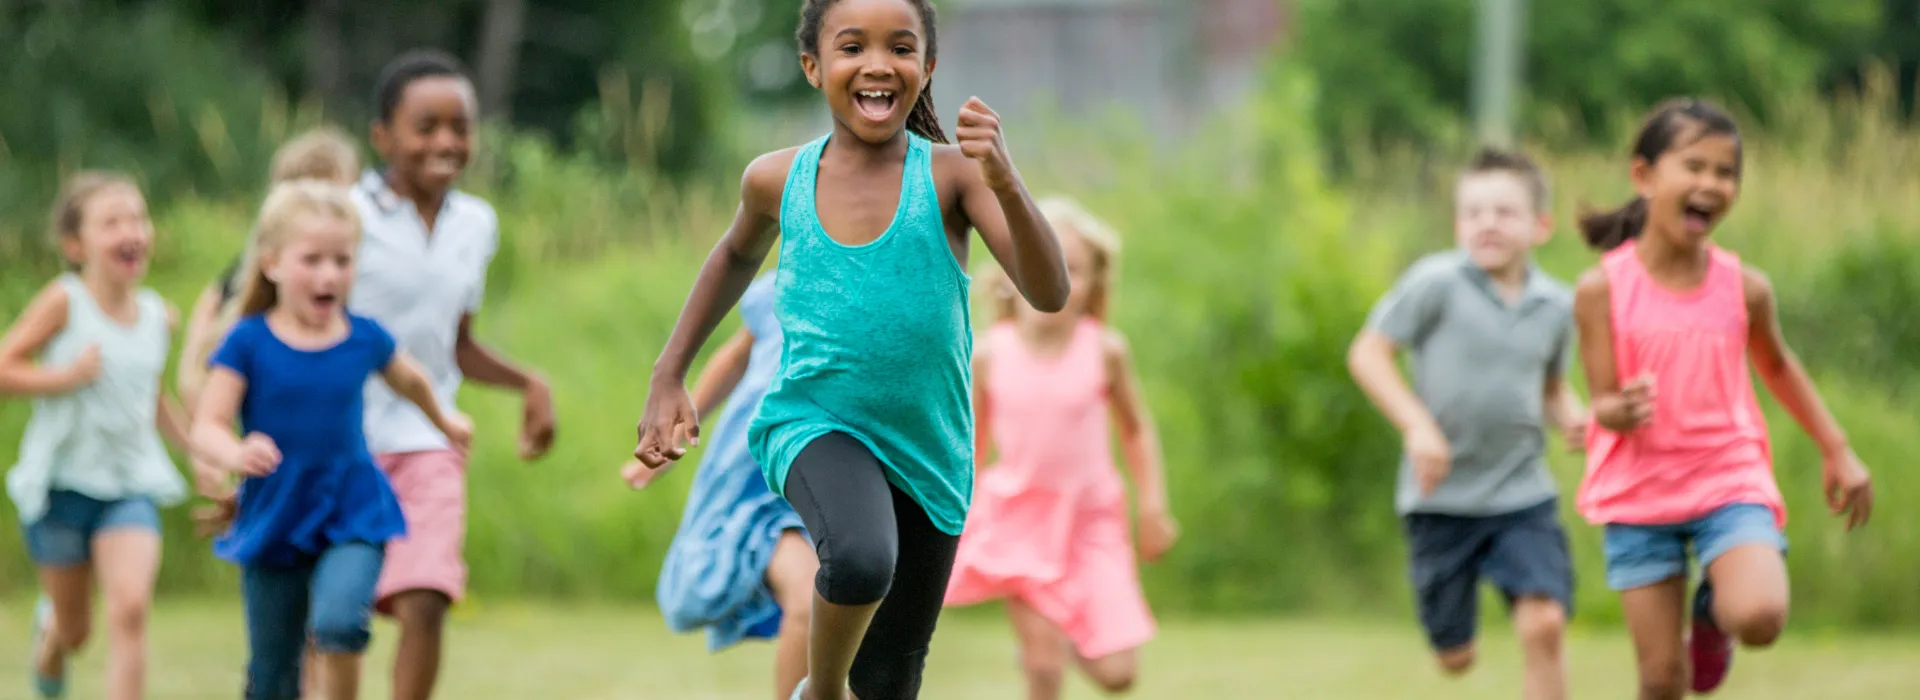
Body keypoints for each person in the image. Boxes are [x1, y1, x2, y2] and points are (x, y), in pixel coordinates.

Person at [628, 0, 1072, 696]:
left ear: (926, 68)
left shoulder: (953, 176)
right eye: (850, 47)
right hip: (813, 424)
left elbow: (1048, 293)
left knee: (892, 680)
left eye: (899, 48)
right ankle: (823, 689)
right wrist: (669, 373)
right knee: (861, 558)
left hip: (930, 448)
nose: (876, 64)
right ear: (814, 66)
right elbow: (730, 260)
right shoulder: (777, 180)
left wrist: (1005, 181)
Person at [1571, 98, 1873, 700]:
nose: (1711, 183)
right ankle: (1693, 636)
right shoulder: (1601, 289)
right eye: (1695, 166)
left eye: (1726, 172)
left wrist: (1837, 448)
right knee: (1660, 681)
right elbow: (1600, 401)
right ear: (1644, 175)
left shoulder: (1745, 288)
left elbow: (1779, 367)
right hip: (1639, 491)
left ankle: (1713, 617)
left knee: (1760, 615)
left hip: (1727, 480)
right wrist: (1617, 410)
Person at [191, 180, 472, 700]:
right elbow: (207, 424)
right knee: (273, 677)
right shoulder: (248, 341)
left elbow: (410, 379)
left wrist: (445, 421)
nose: (329, 275)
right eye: (312, 260)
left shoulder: (364, 336)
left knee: (341, 622)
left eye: (342, 261)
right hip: (276, 514)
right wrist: (236, 452)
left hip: (353, 510)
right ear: (272, 263)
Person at [349, 49, 556, 700]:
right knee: (335, 608)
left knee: (428, 595)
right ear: (383, 137)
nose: (446, 141)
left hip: (430, 436)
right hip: (340, 442)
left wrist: (531, 383)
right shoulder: (343, 215)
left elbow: (455, 345)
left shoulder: (477, 224)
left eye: (459, 127)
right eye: (426, 126)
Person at [1347, 148, 1586, 700]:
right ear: (1458, 225)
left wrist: (1572, 419)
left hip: (1520, 492)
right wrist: (1417, 426)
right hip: (1439, 500)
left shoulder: (1556, 305)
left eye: (1505, 212)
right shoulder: (1436, 283)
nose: (1488, 223)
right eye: (1474, 212)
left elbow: (1551, 387)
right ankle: (1451, 638)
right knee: (1455, 658)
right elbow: (1368, 353)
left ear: (1540, 226)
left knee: (1544, 622)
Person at [942, 197, 1177, 700]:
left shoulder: (1106, 350)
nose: (1060, 279)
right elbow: (973, 441)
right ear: (1012, 271)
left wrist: (1153, 504)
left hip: (1092, 524)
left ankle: (1049, 644)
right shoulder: (989, 354)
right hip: (1019, 521)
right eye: (1043, 262)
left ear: (1094, 284)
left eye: (1074, 269)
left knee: (1119, 675)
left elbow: (1136, 430)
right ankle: (1039, 651)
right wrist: (953, 506)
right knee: (1045, 677)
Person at [2, 172, 191, 700]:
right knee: (77, 631)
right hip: (61, 486)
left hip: (128, 485)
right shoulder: (64, 301)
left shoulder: (157, 315)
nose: (131, 230)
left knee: (130, 609)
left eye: (137, 218)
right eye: (112, 222)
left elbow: (151, 399)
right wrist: (64, 378)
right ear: (75, 244)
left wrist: (199, 451)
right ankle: (52, 635)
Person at [626, 273, 819, 700]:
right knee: (809, 603)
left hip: (834, 478)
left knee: (842, 617)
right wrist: (671, 440)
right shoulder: (784, 282)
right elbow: (735, 358)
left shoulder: (888, 273)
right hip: (758, 482)